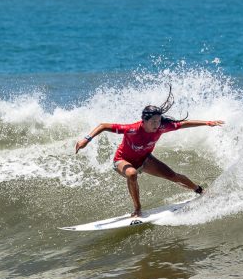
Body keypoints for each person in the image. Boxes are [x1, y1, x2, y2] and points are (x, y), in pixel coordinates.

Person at [75, 87, 224, 217]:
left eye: (159, 121)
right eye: (153, 122)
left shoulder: (162, 127)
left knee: (173, 176)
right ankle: (138, 209)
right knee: (132, 174)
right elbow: (103, 126)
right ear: (144, 120)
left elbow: (183, 124)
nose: (157, 125)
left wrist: (207, 122)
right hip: (122, 160)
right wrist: (86, 140)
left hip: (145, 160)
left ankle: (200, 191)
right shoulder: (132, 129)